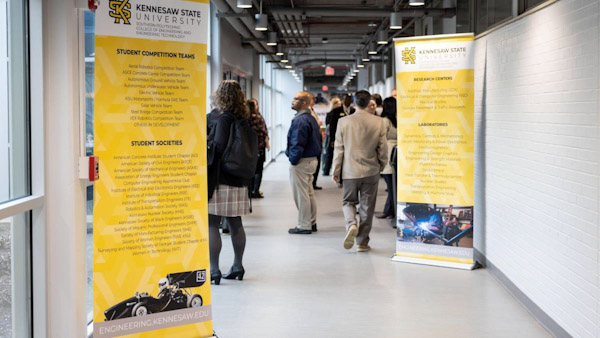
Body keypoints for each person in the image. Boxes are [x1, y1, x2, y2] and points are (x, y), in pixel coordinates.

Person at [207, 80, 253, 284]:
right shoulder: (244, 118)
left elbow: (217, 147)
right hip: (239, 178)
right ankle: (237, 265)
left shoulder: (223, 119)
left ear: (220, 96)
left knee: (212, 224)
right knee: (236, 223)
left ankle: (214, 269)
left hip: (220, 178)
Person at [332, 90, 387, 252]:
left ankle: (351, 224)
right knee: (367, 206)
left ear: (355, 102)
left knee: (348, 202)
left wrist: (336, 170)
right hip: (371, 170)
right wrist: (381, 165)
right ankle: (362, 242)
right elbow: (383, 149)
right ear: (369, 102)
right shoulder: (379, 122)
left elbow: (339, 149)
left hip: (350, 171)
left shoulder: (343, 122)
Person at [286, 91, 322, 234]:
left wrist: (293, 160)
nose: (293, 101)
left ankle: (304, 225)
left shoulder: (300, 120)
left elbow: (297, 143)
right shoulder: (310, 118)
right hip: (310, 160)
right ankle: (311, 222)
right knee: (308, 193)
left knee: (301, 195)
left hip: (301, 161)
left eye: (297, 99)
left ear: (305, 103)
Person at [376, 97, 397, 221]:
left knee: (390, 185)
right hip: (398, 152)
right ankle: (389, 210)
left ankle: (390, 211)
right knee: (393, 185)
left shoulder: (385, 121)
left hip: (388, 153)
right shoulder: (398, 120)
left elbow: (381, 139)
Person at [323, 94, 353, 176]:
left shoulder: (353, 111)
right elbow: (332, 126)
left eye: (350, 99)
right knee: (334, 154)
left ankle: (345, 172)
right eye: (346, 99)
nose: (348, 101)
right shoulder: (336, 111)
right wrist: (332, 139)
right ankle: (329, 171)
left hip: (349, 137)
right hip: (338, 136)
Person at [247, 99, 270, 198]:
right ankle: (255, 191)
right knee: (258, 170)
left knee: (251, 170)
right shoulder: (257, 117)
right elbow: (263, 132)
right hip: (259, 147)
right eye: (256, 104)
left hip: (249, 148)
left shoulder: (245, 118)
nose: (258, 106)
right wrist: (267, 142)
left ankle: (250, 191)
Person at [321, 97, 341, 176]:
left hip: (339, 136)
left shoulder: (341, 113)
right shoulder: (330, 114)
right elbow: (328, 125)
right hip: (331, 136)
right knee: (329, 154)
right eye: (338, 104)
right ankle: (326, 170)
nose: (339, 105)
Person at [308, 93, 324, 190]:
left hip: (317, 137)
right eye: (312, 99)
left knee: (318, 162)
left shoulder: (312, 110)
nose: (314, 101)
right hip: (314, 139)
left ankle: (314, 182)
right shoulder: (308, 112)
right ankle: (312, 183)